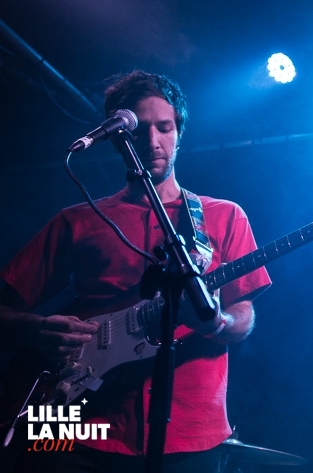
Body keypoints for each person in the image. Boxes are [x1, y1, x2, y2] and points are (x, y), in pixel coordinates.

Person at [0, 70, 271, 473]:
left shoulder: (226, 216)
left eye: (164, 127)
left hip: (190, 430)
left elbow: (242, 315)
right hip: (75, 424)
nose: (152, 141)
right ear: (117, 139)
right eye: (138, 130)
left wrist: (217, 322)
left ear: (179, 132)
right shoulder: (77, 220)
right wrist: (37, 329)